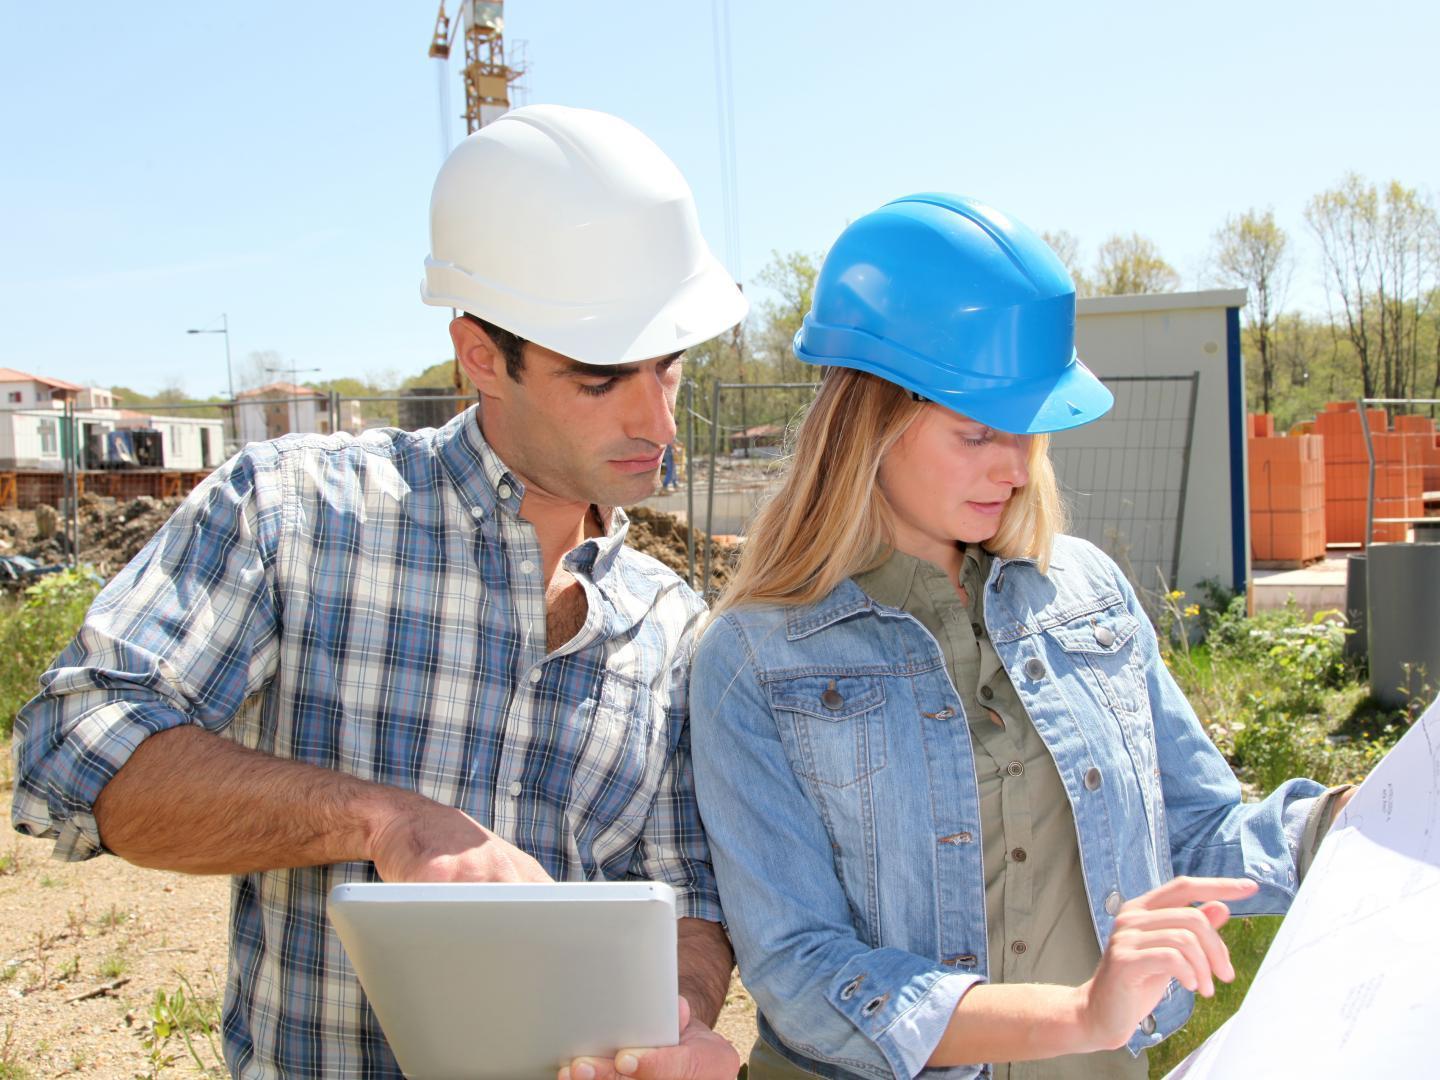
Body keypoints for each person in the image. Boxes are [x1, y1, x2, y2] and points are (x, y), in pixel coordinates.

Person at [12, 105, 748, 1080]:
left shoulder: (670, 622)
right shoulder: (294, 513)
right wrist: (384, 822)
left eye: (669, 368)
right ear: (482, 354)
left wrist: (676, 1018)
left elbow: (685, 889)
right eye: (602, 379)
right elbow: (70, 750)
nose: (657, 417)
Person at [688, 194, 1353, 1080]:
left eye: (1029, 431)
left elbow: (1193, 836)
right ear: (866, 424)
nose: (1015, 466)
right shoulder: (757, 657)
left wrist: (1346, 824)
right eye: (977, 434)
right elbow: (801, 969)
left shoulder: (1086, 594)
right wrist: (1077, 1014)